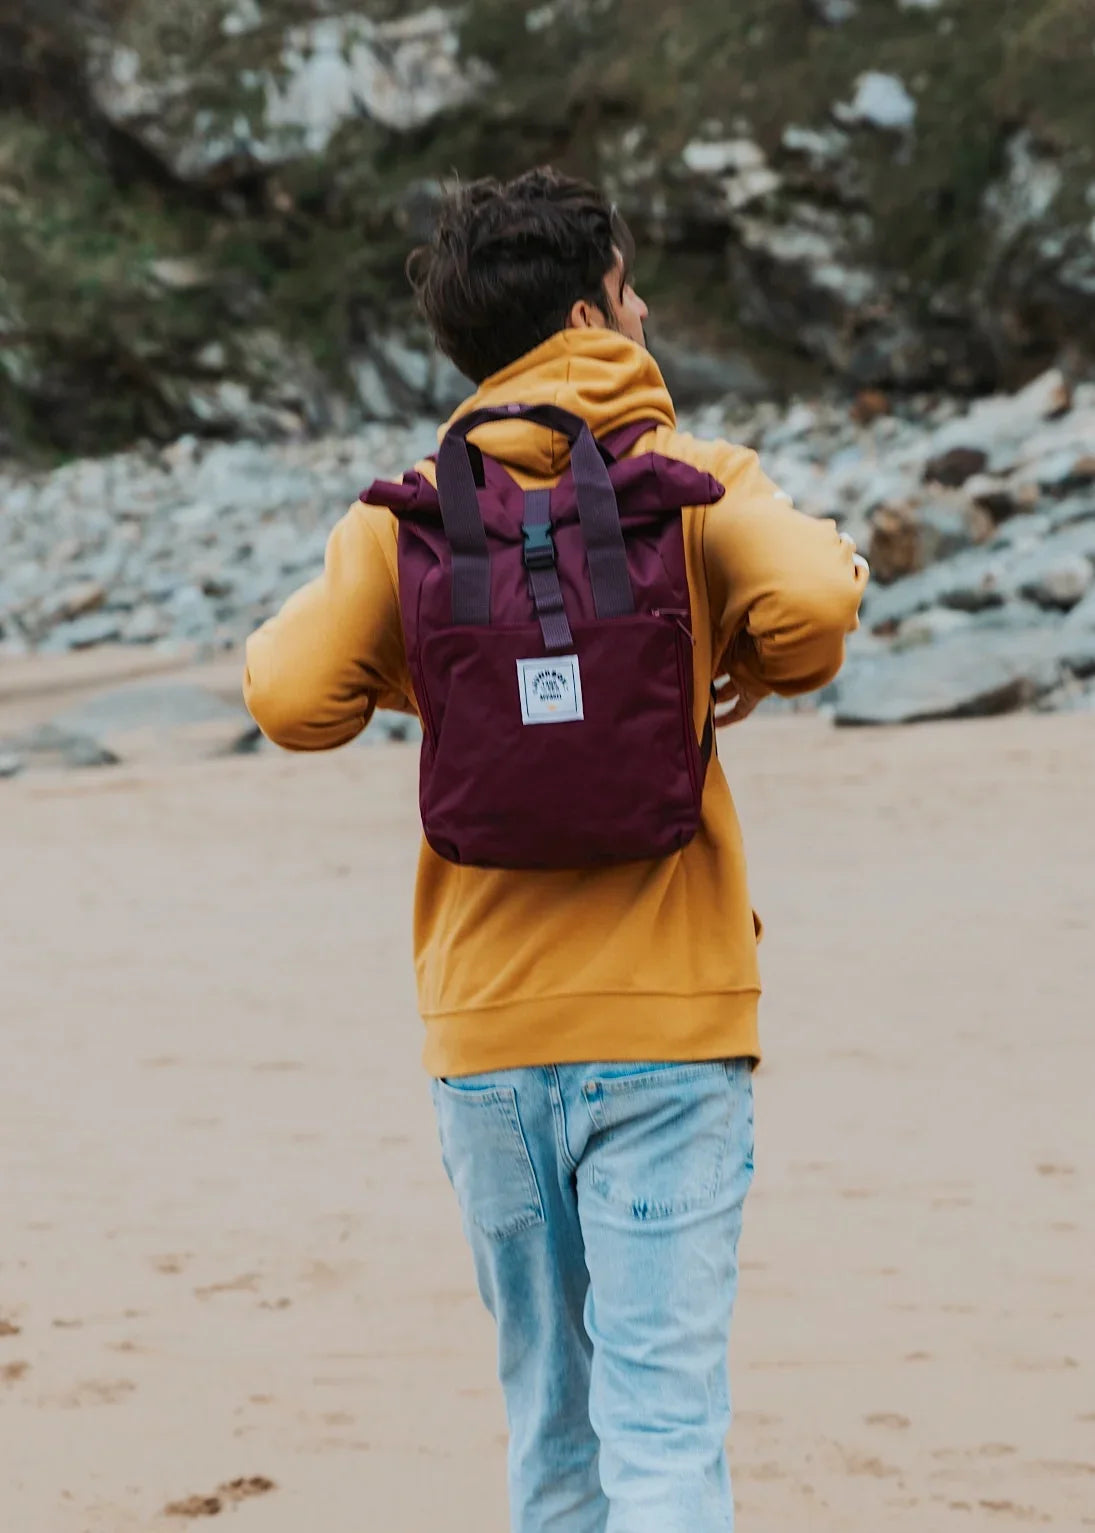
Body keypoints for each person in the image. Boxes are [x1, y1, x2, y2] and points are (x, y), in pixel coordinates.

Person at [244, 167, 868, 1533]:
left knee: (556, 1429)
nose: (643, 313)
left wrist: (438, 675)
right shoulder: (691, 484)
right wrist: (734, 655)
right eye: (633, 289)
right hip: (672, 1026)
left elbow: (289, 698)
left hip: (490, 1036)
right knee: (664, 1426)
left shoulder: (408, 513)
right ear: (597, 311)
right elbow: (819, 603)